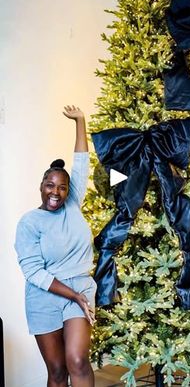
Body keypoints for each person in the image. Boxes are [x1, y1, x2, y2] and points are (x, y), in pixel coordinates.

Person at [15, 106, 96, 387]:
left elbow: (81, 162)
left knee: (77, 361)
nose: (56, 192)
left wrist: (80, 121)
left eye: (62, 187)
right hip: (44, 296)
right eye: (50, 185)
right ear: (41, 186)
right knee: (58, 372)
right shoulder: (29, 222)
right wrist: (73, 295)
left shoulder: (72, 205)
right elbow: (34, 273)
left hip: (80, 288)